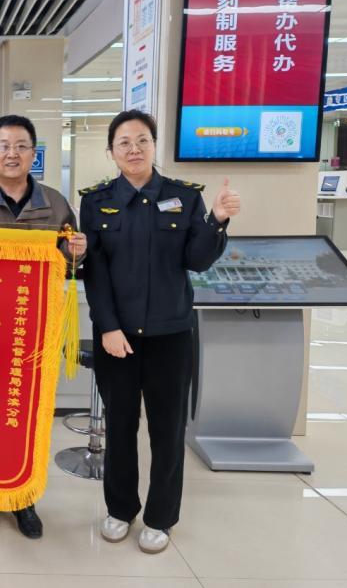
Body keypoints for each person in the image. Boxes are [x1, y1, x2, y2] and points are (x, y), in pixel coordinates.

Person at [80, 109, 240, 554]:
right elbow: (95, 271)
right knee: (120, 426)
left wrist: (217, 220)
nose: (133, 149)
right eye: (124, 142)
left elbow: (198, 260)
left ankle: (161, 517)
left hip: (171, 336)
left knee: (168, 431)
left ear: (154, 146)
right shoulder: (96, 202)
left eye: (142, 140)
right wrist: (108, 327)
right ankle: (119, 509)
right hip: (117, 338)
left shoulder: (184, 197)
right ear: (111, 151)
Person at [0, 114, 87, 539]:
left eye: (21, 146)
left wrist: (78, 251)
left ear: (33, 154)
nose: (12, 154)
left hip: (34, 331)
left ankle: (24, 498)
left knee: (28, 417)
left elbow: (70, 264)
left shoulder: (56, 204)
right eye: (4, 146)